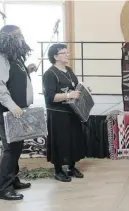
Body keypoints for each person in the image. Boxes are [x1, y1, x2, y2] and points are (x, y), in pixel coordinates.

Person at [0, 25, 37, 200]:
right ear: (6, 37)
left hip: (17, 109)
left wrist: (27, 70)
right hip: (8, 109)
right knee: (10, 148)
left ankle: (12, 179)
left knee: (17, 146)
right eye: (17, 34)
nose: (21, 36)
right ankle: (3, 189)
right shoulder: (0, 56)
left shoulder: (14, 56)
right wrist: (12, 105)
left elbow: (11, 77)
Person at [42, 43, 86, 182]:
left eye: (67, 52)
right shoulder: (50, 74)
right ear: (55, 56)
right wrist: (69, 95)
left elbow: (74, 87)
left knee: (73, 139)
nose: (68, 55)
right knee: (60, 141)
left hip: (72, 111)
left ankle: (71, 167)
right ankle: (58, 170)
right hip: (58, 113)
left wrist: (81, 91)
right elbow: (51, 97)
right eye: (64, 53)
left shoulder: (69, 70)